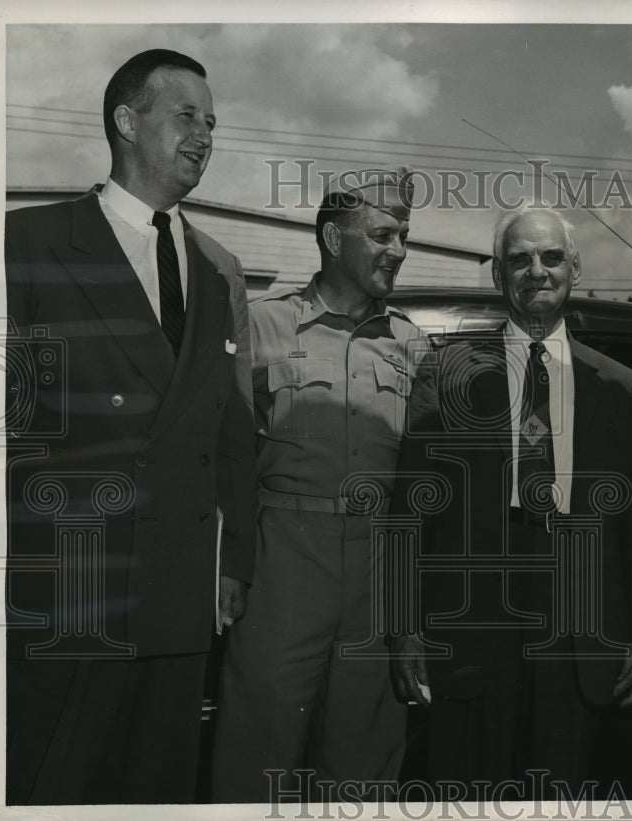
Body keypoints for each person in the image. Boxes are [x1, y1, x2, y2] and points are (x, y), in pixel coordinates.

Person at [4, 49, 256, 804]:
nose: (205, 135)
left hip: (183, 596)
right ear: (126, 120)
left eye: (212, 123)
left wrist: (233, 561)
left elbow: (234, 430)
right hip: (69, 588)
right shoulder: (29, 242)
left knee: (156, 789)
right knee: (52, 785)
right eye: (187, 115)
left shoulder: (219, 268)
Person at [388, 204, 632, 797]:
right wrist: (404, 629)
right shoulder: (448, 371)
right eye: (520, 259)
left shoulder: (619, 385)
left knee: (560, 791)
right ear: (498, 275)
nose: (537, 270)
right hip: (471, 621)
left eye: (551, 257)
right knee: (467, 790)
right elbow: (410, 511)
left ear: (575, 269)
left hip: (580, 620)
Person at [210, 169, 421, 803]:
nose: (400, 250)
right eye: (384, 234)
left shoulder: (412, 344)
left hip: (376, 576)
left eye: (405, 235)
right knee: (258, 759)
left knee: (365, 768)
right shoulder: (260, 326)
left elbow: (421, 488)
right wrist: (227, 566)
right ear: (333, 238)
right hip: (283, 563)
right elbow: (224, 456)